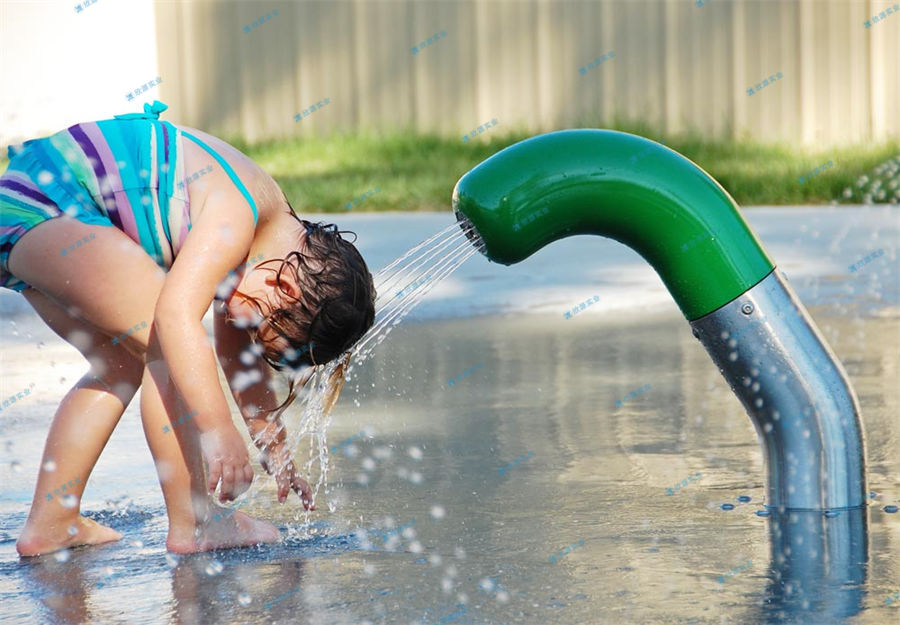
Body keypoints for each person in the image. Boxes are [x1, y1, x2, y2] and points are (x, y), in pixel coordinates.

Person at [0, 100, 376, 556]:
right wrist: (218, 429)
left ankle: (53, 523)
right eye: (260, 326)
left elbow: (238, 358)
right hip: (53, 201)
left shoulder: (263, 249)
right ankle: (197, 523)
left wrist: (270, 440)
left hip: (32, 209)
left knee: (118, 364)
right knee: (167, 343)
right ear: (286, 288)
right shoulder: (237, 217)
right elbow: (176, 319)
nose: (241, 326)